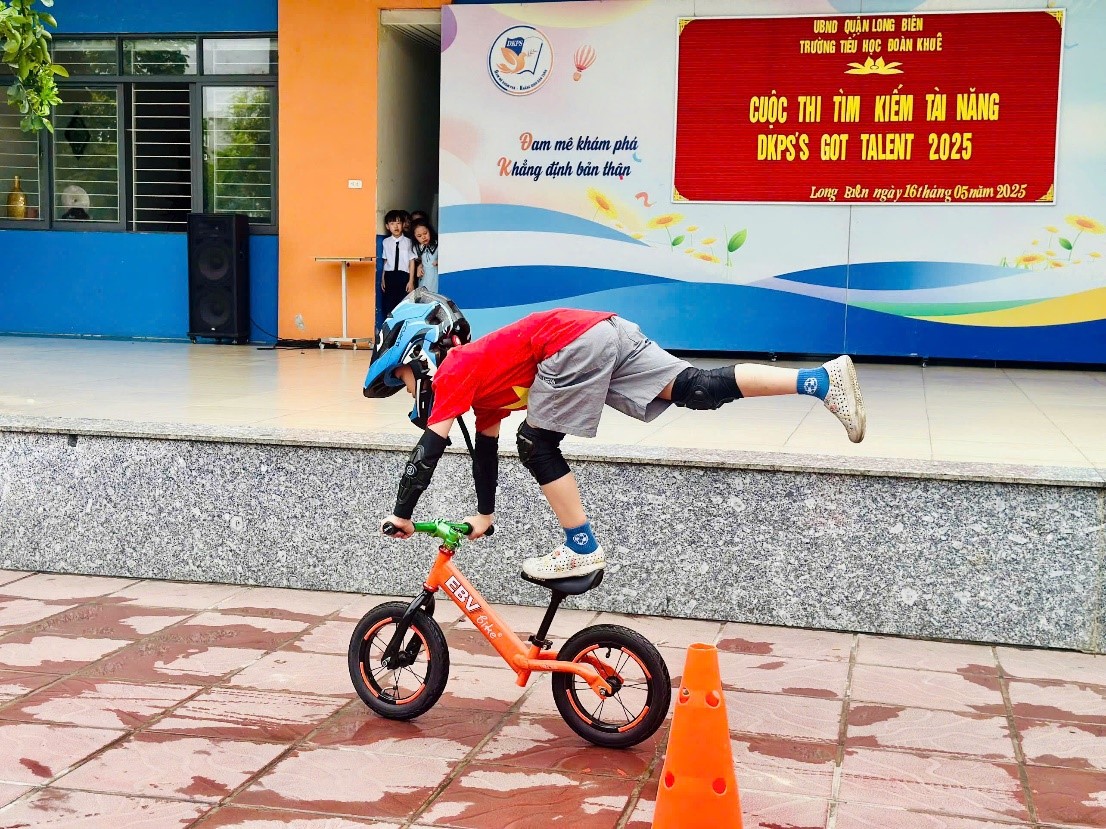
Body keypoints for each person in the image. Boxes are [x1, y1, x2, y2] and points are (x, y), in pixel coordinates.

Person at [365, 291, 866, 580]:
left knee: (536, 443)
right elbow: (485, 450)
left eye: (402, 378)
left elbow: (431, 447)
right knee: (695, 388)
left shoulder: (455, 368)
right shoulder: (482, 388)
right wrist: (484, 515)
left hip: (570, 341)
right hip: (602, 329)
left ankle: (580, 546)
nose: (408, 389)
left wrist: (400, 514)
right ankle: (820, 381)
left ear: (417, 354)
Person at [379, 209, 418, 322]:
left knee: (403, 302)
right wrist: (383, 279)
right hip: (390, 276)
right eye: (392, 223)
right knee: (389, 303)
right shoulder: (386, 242)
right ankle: (390, 326)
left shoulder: (409, 242)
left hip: (404, 275)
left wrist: (411, 281)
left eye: (398, 223)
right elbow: (386, 261)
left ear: (403, 224)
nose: (396, 226)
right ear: (387, 226)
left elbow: (411, 261)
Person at [411, 220, 439, 294]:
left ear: (430, 231)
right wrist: (419, 266)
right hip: (424, 275)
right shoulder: (417, 247)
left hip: (436, 273)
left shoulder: (438, 244)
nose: (423, 237)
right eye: (419, 236)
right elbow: (418, 260)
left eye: (425, 233)